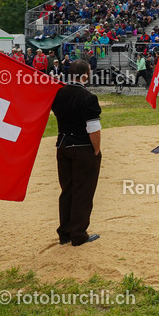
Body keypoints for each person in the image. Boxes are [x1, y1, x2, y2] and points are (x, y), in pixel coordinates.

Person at [50, 60, 102, 247]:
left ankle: (64, 233)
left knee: (67, 191)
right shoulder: (87, 97)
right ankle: (79, 234)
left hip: (62, 145)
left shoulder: (58, 94)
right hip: (82, 147)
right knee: (83, 191)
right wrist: (96, 150)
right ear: (85, 75)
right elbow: (93, 128)